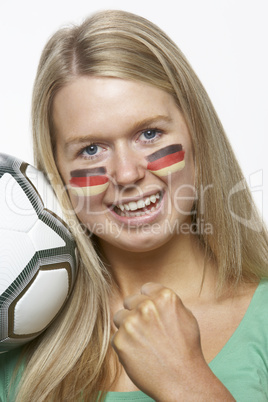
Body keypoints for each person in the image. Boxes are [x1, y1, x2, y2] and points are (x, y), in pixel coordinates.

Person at [1, 9, 268, 402]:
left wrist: (187, 382)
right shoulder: (16, 321)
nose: (126, 174)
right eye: (90, 149)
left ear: (196, 131)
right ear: (55, 168)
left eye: (149, 133)